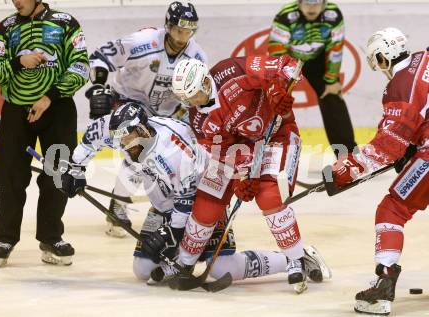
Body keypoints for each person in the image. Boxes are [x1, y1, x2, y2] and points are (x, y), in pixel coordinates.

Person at [60, 102, 329, 286]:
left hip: (203, 202)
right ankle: (178, 256)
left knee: (224, 269)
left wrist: (169, 233)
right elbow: (91, 138)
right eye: (119, 140)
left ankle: (297, 258)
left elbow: (188, 202)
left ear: (142, 131)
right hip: (165, 206)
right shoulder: (121, 130)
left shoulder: (177, 150)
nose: (121, 146)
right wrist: (75, 168)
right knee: (142, 271)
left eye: (126, 140)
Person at [164, 55, 317, 293]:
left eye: (193, 94)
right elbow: (223, 151)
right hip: (240, 150)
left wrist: (277, 91)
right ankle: (184, 262)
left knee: (269, 197)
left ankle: (297, 259)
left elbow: (287, 65)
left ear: (205, 82)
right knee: (207, 202)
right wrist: (244, 175)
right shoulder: (198, 117)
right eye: (185, 98)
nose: (192, 102)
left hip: (277, 136)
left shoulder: (231, 71)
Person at [327, 28, 428, 315]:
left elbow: (386, 146)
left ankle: (384, 283)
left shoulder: (399, 85)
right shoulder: (423, 59)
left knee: (392, 210)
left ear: (383, 57)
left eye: (376, 62)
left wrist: (344, 171)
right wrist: (412, 146)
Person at [86, 1, 208, 237]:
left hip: (167, 112)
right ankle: (118, 205)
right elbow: (101, 57)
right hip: (129, 101)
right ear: (168, 25)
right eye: (178, 30)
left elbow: (198, 93)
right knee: (139, 155)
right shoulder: (143, 41)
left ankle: (165, 209)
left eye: (189, 31)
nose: (183, 37)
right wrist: (100, 86)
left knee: (170, 160)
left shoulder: (197, 56)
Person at [0, 0, 89, 267]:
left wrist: (49, 97)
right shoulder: (6, 28)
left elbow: (81, 66)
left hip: (57, 108)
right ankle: (5, 238)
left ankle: (51, 236)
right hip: (16, 110)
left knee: (58, 174)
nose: (16, 1)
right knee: (9, 174)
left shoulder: (66, 23)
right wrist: (18, 61)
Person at [268, 0, 356, 157]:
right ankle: (264, 150)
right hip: (289, 59)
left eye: (316, 3)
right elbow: (276, 52)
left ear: (324, 3)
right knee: (274, 99)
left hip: (318, 59)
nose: (311, 8)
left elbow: (335, 48)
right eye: (307, 3)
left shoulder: (333, 14)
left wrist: (331, 80)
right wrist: (278, 85)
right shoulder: (285, 15)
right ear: (299, 3)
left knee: (332, 96)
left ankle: (349, 155)